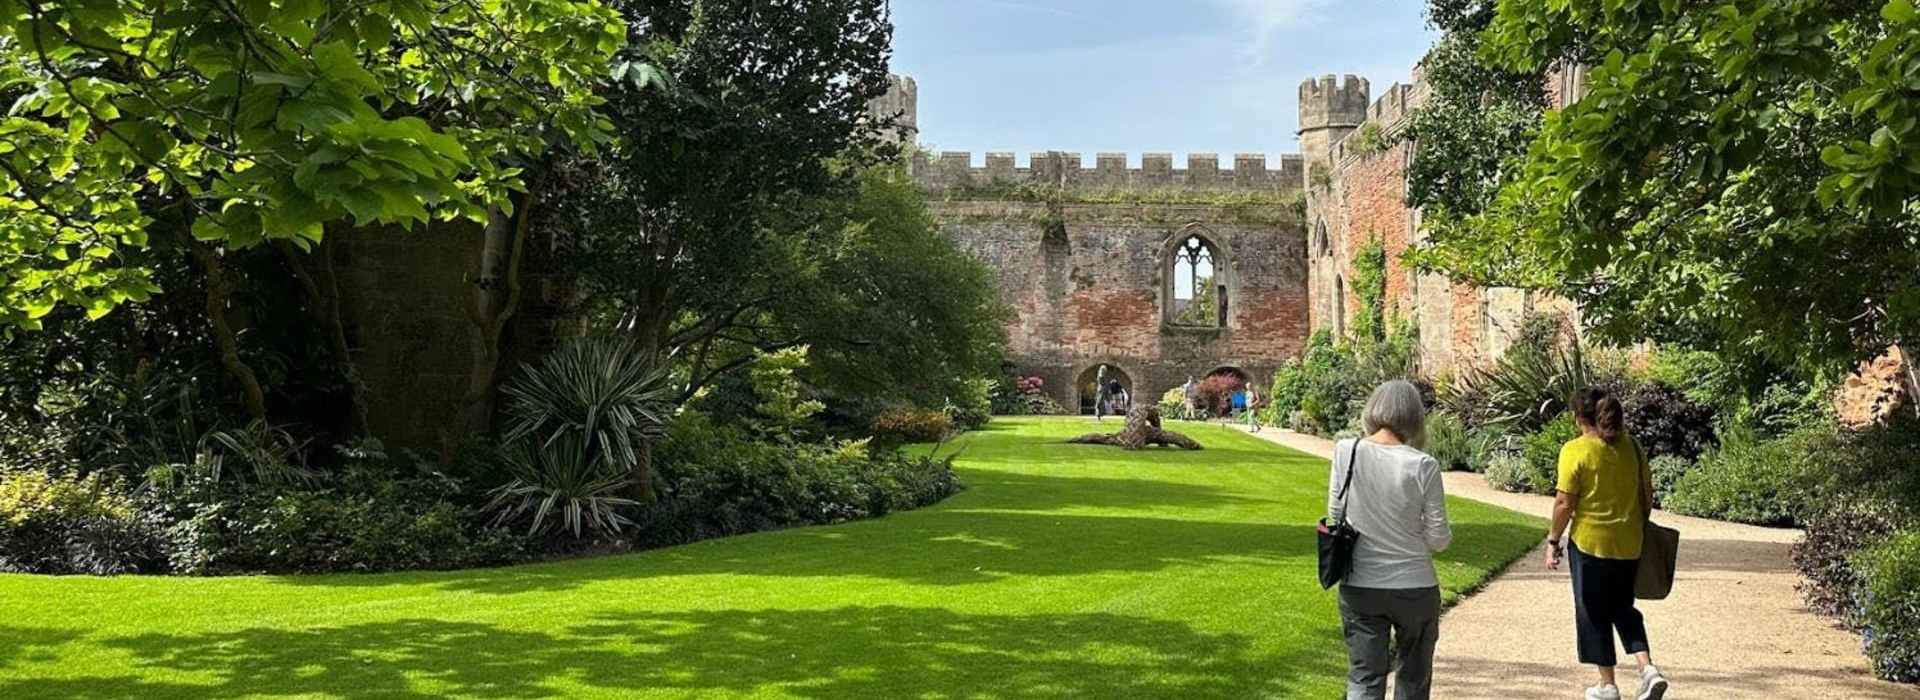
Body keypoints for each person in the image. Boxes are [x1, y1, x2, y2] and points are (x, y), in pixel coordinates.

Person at [1327, 379, 1452, 700]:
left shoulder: (1346, 451)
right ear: (1414, 416)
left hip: (1361, 582)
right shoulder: (1423, 464)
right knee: (1413, 676)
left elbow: (1335, 514)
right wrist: (1412, 536)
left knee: (1364, 676)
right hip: (1415, 584)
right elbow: (1439, 538)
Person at [1547, 387, 1670, 700]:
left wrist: (1553, 540)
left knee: (1593, 612)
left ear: (1579, 417)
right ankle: (1647, 668)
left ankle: (1607, 685)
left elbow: (1564, 502)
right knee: (1623, 608)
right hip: (1629, 542)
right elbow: (1647, 492)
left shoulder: (1575, 450)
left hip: (1590, 543)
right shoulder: (1632, 447)